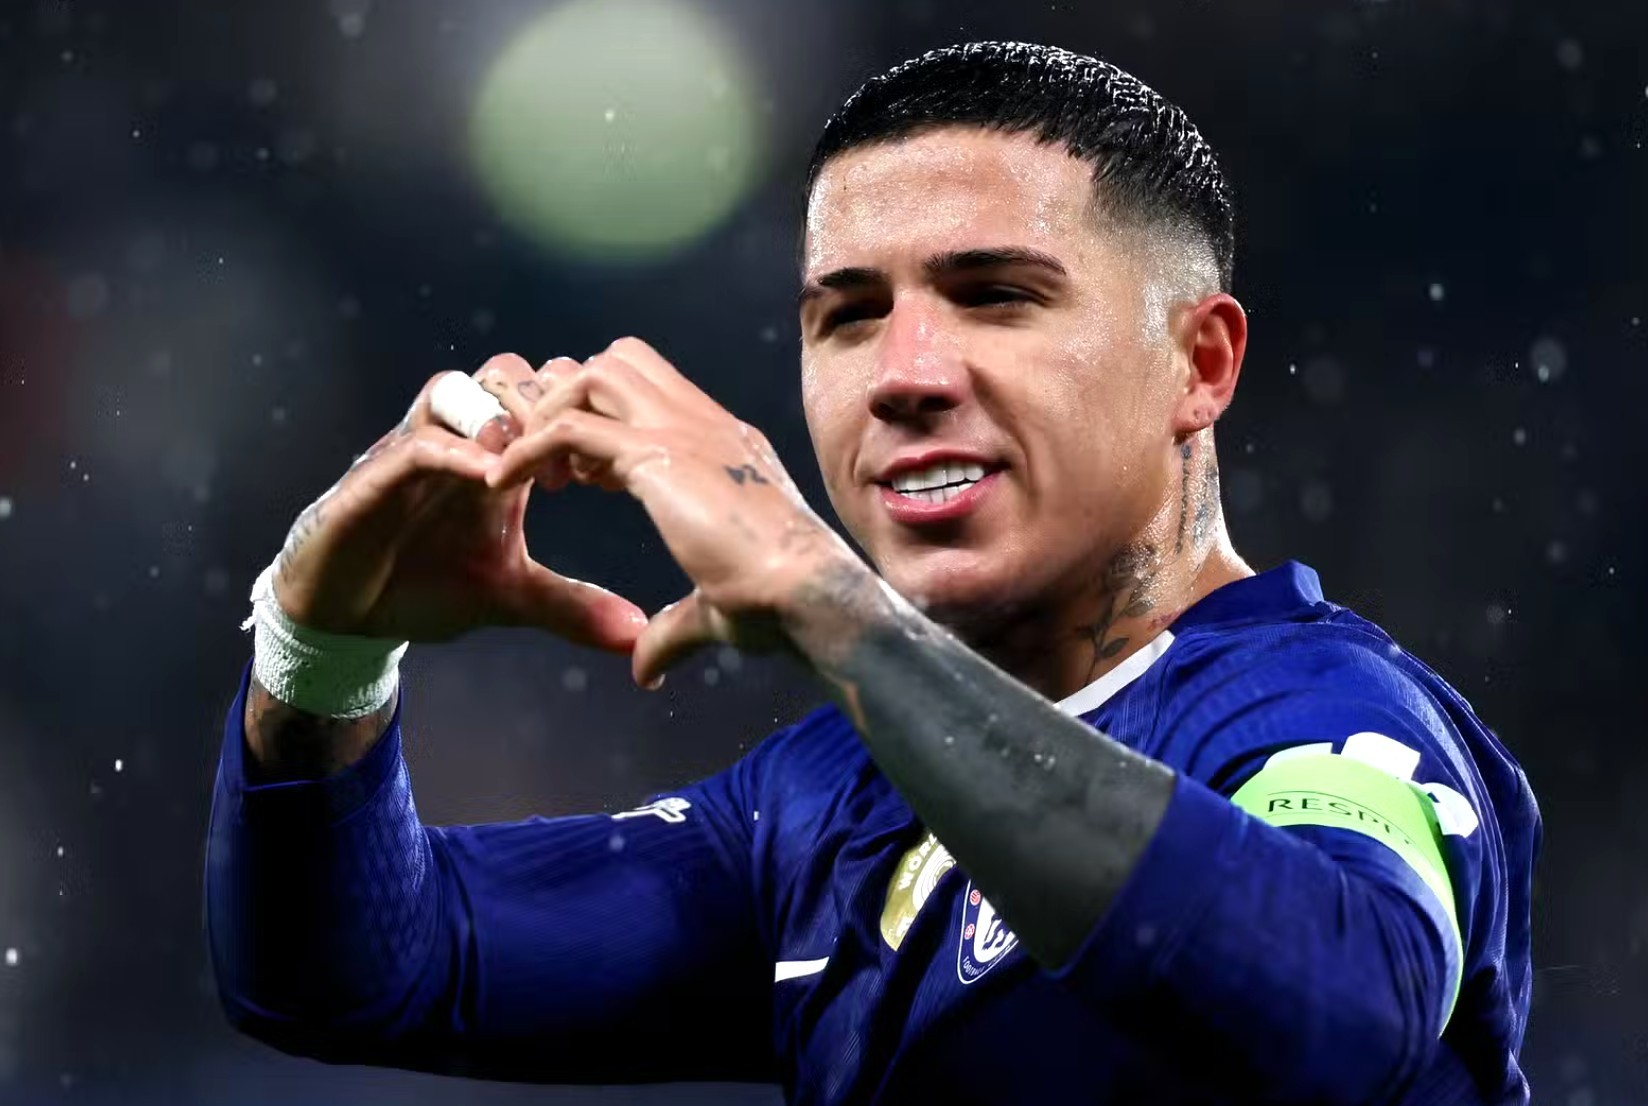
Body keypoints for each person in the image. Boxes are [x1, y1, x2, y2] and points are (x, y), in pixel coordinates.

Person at [204, 42, 1539, 1105]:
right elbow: (356, 972)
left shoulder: (1324, 717)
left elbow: (1339, 1014)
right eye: (847, 315)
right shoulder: (815, 806)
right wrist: (321, 655)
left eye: (997, 295)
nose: (903, 376)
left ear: (1199, 365)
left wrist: (830, 600)